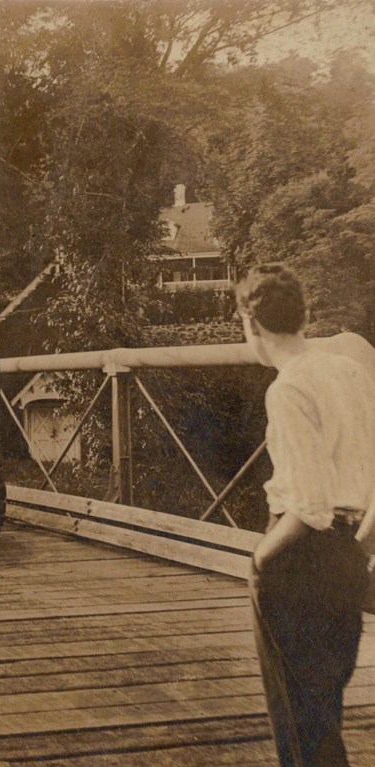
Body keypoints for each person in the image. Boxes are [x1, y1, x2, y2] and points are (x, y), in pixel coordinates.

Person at [236, 263, 375, 767]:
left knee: (299, 723)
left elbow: (309, 506)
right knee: (325, 714)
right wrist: (359, 547)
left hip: (299, 559)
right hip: (346, 555)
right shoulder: (350, 371)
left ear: (252, 325)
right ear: (302, 316)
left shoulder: (287, 388)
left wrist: (259, 556)